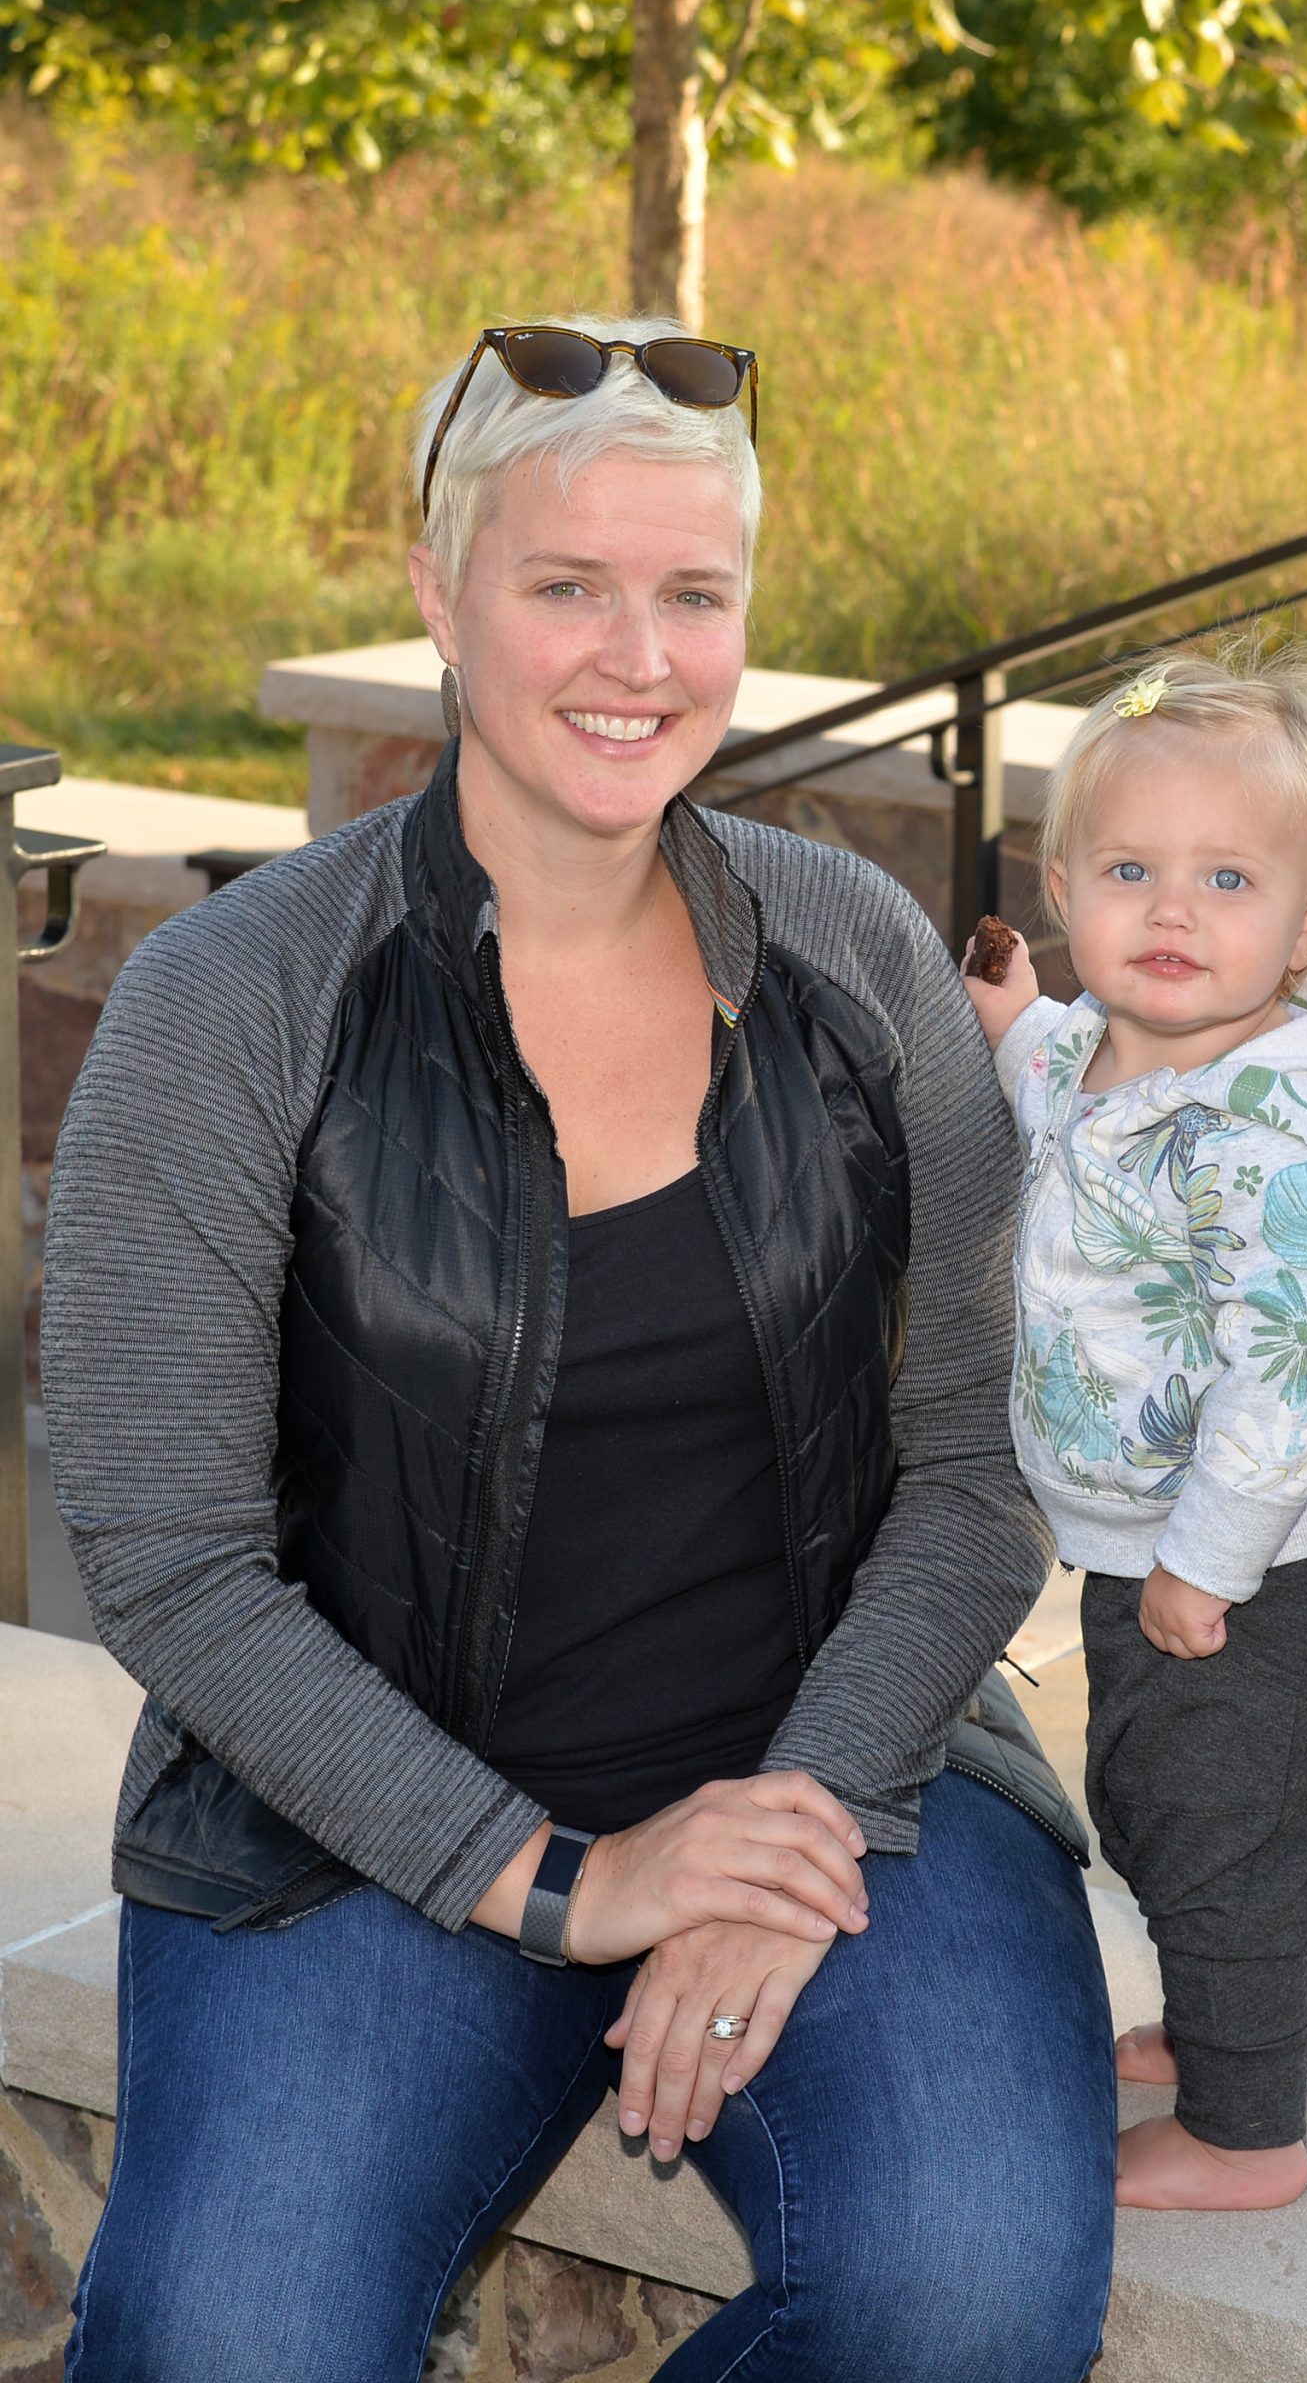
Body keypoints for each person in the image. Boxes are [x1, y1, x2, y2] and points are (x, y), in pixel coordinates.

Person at [42, 315, 1115, 2381]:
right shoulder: (232, 1001)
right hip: (355, 1817)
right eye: (566, 586)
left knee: (963, 2292)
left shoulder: (855, 951)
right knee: (225, 2348)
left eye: (693, 594)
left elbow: (981, 1468)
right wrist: (558, 1881)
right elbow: (169, 1561)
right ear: (441, 596)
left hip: (834, 1763)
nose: (640, 657)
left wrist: (784, 1829)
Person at [962, 637, 1307, 2213]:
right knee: (1175, 1810)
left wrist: (1209, 1558)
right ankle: (1244, 2032)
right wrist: (1009, 1012)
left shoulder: (1270, 1133)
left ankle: (1245, 2135)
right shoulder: (1108, 1045)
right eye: (1132, 871)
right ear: (1065, 890)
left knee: (1220, 1834)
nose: (1174, 913)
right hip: (1171, 1552)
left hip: (1268, 1572)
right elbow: (1056, 1081)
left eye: (1229, 880)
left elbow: (1291, 1366)